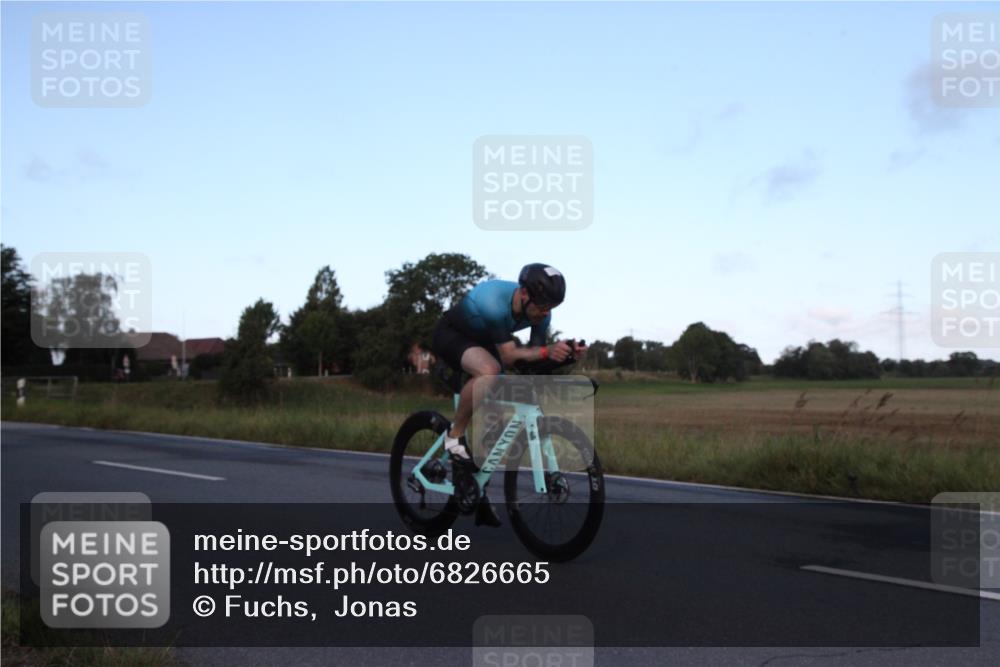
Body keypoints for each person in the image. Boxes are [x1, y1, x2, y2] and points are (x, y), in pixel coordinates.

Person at [431, 263, 587, 526]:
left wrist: (565, 355)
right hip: (451, 335)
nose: (545, 312)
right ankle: (453, 435)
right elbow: (508, 355)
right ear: (524, 294)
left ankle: (474, 490)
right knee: (490, 371)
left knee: (493, 427)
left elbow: (531, 362)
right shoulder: (494, 301)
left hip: (484, 342)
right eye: (541, 305)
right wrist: (548, 351)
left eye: (551, 307)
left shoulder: (542, 314)